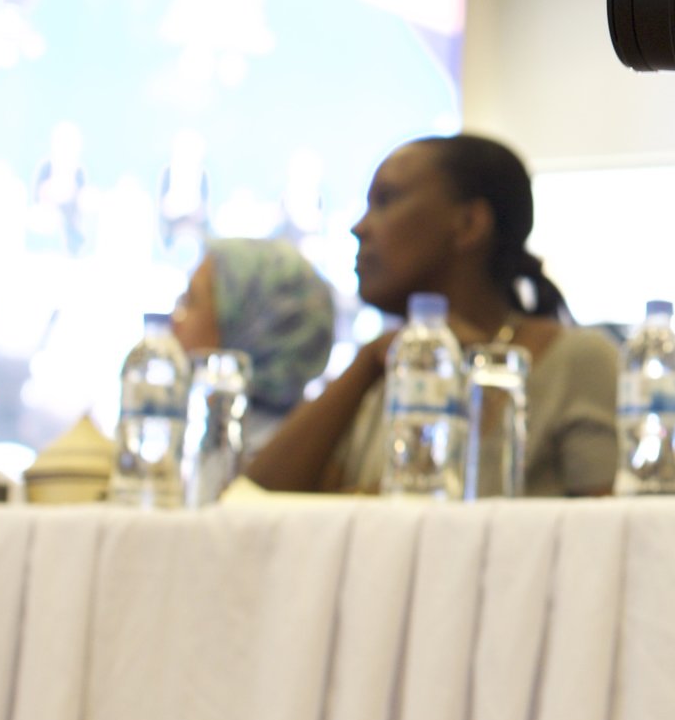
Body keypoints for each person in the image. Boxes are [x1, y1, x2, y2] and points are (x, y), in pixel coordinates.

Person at [244, 133, 616, 497]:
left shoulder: (577, 361)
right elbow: (255, 506)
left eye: (386, 200)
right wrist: (367, 363)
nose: (359, 228)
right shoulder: (388, 371)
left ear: (468, 223)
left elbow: (611, 539)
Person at [168, 237, 337, 451]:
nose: (175, 321)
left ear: (251, 325)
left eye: (190, 301)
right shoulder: (210, 436)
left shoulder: (266, 459)